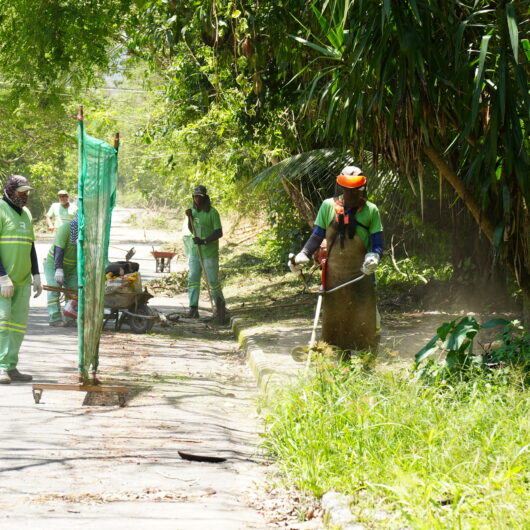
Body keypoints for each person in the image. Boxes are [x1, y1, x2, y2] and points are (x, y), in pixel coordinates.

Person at [289, 166, 383, 353]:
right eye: (347, 189)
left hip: (361, 275)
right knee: (334, 320)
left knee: (368, 321)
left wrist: (374, 256)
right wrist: (303, 255)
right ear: (341, 187)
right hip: (334, 277)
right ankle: (337, 357)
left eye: (355, 189)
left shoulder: (371, 211)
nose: (350, 193)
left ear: (362, 189)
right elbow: (317, 236)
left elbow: (378, 242)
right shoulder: (327, 206)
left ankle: (367, 361)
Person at [0, 175, 42, 384]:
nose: (25, 196)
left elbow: (30, 246)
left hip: (22, 281)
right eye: (21, 192)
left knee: (17, 326)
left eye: (26, 192)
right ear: (9, 190)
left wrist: (36, 274)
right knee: (2, 323)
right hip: (3, 281)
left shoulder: (26, 213)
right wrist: (2, 276)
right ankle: (0, 367)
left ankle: (11, 366)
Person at [182, 185, 226, 321]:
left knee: (212, 281)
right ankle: (193, 308)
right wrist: (189, 217)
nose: (197, 199)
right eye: (195, 196)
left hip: (209, 253)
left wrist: (205, 241)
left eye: (200, 197)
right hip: (195, 252)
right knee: (193, 280)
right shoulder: (193, 212)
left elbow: (219, 232)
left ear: (205, 197)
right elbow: (192, 229)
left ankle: (220, 308)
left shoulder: (212, 213)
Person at [43, 214, 78, 327]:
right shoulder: (66, 229)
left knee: (73, 292)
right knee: (54, 289)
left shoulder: (88, 231)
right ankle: (55, 318)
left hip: (73, 267)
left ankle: (70, 318)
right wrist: (58, 269)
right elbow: (59, 249)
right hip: (54, 265)